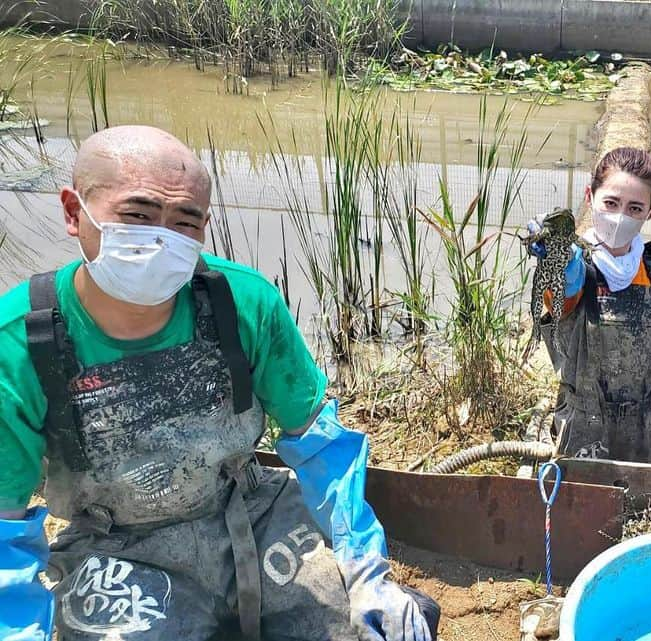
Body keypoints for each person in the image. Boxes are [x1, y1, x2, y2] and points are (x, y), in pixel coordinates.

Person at [0, 125, 438, 641]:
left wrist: (367, 570)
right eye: (137, 215)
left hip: (251, 513)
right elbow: (6, 529)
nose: (161, 237)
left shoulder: (242, 302)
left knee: (380, 627)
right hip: (117, 547)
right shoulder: (20, 345)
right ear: (75, 212)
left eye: (184, 222)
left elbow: (322, 447)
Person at [526, 147, 651, 466]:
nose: (620, 216)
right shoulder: (576, 267)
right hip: (587, 429)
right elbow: (564, 294)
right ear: (590, 197)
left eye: (634, 208)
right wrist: (556, 258)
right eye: (611, 203)